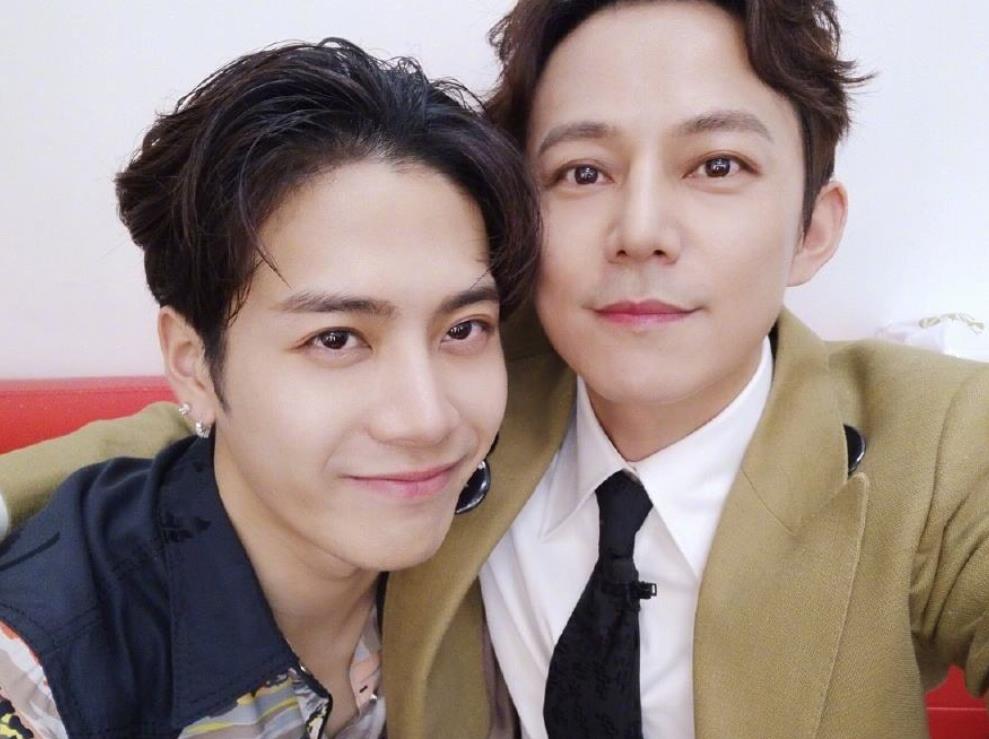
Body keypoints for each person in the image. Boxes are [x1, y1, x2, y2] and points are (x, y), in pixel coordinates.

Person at [2, 1, 988, 737]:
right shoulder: (468, 390)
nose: (641, 230)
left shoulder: (940, 443)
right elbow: (206, 430)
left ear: (812, 226)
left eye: (716, 165)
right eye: (582, 172)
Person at [0, 38, 538, 736]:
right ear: (194, 363)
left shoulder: (511, 531)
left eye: (463, 329)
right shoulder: (45, 676)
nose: (425, 419)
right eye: (336, 339)